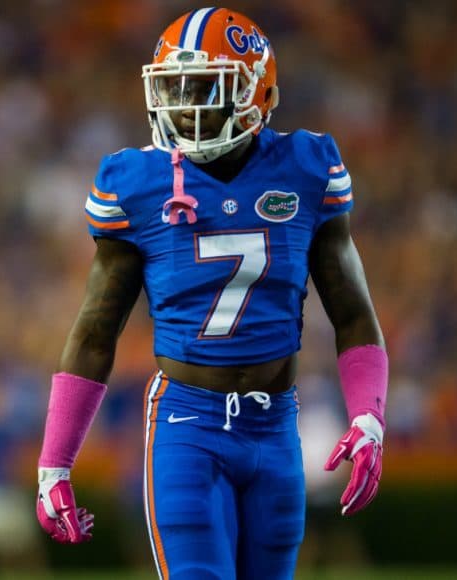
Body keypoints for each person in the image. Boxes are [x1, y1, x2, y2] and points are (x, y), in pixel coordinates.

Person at [35, 7, 388, 579]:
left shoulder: (306, 167)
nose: (182, 106)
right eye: (173, 88)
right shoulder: (139, 183)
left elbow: (353, 315)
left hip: (277, 428)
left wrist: (369, 418)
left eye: (202, 89)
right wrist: (55, 464)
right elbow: (96, 330)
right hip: (187, 428)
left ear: (255, 92)